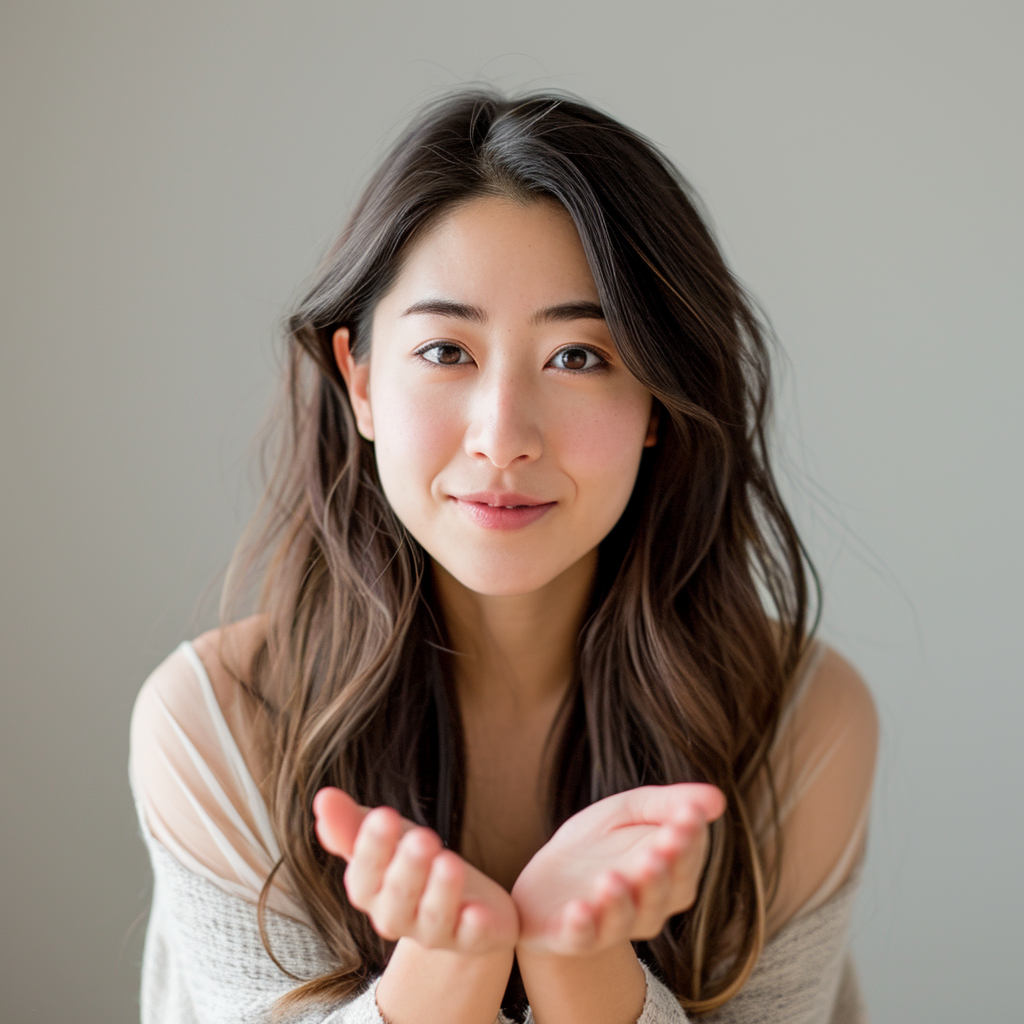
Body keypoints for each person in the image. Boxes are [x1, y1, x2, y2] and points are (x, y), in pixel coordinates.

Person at [128, 87, 878, 1024]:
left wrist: (583, 964)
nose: (503, 436)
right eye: (447, 351)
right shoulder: (218, 726)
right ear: (359, 381)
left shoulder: (797, 722)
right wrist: (444, 974)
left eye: (578, 358)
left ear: (658, 402)